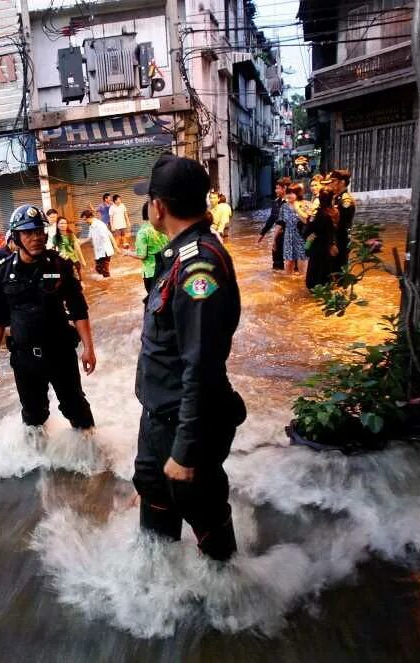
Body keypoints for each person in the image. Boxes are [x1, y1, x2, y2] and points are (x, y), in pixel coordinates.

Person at [132, 156, 246, 562]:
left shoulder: (199, 264)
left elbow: (201, 365)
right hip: (159, 419)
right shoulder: (177, 256)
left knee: (204, 510)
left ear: (158, 206)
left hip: (186, 425)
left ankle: (227, 593)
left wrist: (184, 450)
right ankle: (160, 585)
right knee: (153, 495)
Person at [0, 205, 96, 434]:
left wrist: (88, 348)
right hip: (25, 358)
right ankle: (41, 462)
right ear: (16, 237)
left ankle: (92, 457)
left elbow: (78, 309)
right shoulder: (2, 271)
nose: (36, 237)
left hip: (60, 354)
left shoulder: (59, 265)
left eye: (39, 231)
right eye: (28, 233)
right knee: (33, 414)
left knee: (76, 407)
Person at [302, 185, 341, 290]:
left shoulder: (319, 214)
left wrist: (309, 218)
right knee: (327, 274)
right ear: (332, 198)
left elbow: (308, 230)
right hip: (331, 246)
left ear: (320, 199)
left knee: (313, 279)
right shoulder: (336, 212)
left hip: (318, 247)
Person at [125, 205, 170, 293]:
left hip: (151, 273)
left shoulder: (142, 232)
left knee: (154, 301)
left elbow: (142, 255)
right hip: (167, 269)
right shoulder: (163, 227)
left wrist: (128, 253)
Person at [258, 178, 290, 270]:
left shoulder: (291, 202)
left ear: (284, 188)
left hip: (288, 235)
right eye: (276, 188)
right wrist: (262, 233)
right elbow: (272, 219)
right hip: (278, 235)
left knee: (291, 263)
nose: (276, 191)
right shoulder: (276, 202)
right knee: (276, 263)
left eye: (278, 188)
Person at [328, 169, 355, 272]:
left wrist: (333, 243)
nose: (331, 184)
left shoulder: (345, 201)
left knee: (338, 270)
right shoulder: (335, 198)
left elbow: (340, 225)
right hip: (334, 239)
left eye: (333, 181)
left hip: (340, 240)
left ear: (342, 182)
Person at [282, 183, 308, 275]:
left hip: (301, 237)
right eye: (288, 193)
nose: (288, 195)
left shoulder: (305, 205)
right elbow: (280, 223)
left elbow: (307, 221)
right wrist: (274, 239)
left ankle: (301, 286)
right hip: (288, 238)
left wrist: (297, 209)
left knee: (302, 265)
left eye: (291, 193)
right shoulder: (284, 206)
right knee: (288, 264)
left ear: (298, 194)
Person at [52, 215, 86, 280]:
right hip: (63, 262)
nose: (63, 225)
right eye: (61, 223)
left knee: (77, 281)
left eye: (65, 223)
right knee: (65, 281)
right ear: (57, 225)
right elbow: (53, 250)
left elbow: (77, 248)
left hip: (74, 261)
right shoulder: (56, 237)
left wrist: (82, 260)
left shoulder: (71, 235)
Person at [87, 208, 118, 278]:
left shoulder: (100, 225)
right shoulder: (91, 225)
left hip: (105, 251)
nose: (84, 221)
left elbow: (109, 234)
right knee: (98, 269)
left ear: (90, 217)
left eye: (85, 219)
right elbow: (89, 238)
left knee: (105, 271)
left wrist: (115, 246)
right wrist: (78, 242)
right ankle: (106, 280)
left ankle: (109, 284)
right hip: (98, 251)